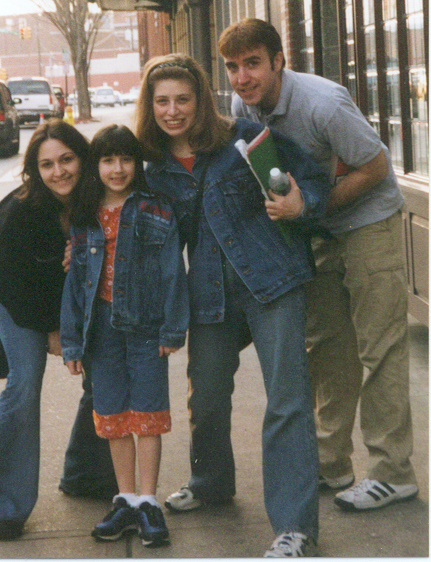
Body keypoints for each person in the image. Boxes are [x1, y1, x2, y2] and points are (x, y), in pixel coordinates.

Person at [219, 18, 418, 512]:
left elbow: (376, 167)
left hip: (368, 221)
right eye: (232, 67)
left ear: (279, 61)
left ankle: (393, 473)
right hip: (318, 227)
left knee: (380, 348)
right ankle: (331, 463)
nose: (242, 77)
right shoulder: (242, 104)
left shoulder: (323, 103)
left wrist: (308, 207)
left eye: (253, 64)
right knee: (328, 347)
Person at [135, 55, 330, 558]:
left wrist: (299, 203)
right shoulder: (153, 168)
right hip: (207, 295)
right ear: (149, 106)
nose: (173, 111)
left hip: (272, 280)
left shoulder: (243, 139)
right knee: (207, 396)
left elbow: (310, 178)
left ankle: (295, 529)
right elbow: (120, 215)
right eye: (162, 101)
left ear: (200, 99)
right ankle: (211, 482)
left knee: (286, 402)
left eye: (183, 99)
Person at [0, 120, 116, 541]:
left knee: (103, 371)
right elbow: (9, 283)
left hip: (74, 298)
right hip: (17, 301)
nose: (60, 172)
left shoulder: (96, 200)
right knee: (24, 381)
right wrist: (53, 330)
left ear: (81, 158)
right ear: (35, 171)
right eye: (47, 165)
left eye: (67, 159)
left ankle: (85, 474)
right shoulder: (17, 212)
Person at [60, 124, 189, 548]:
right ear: (95, 165)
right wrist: (73, 342)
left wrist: (173, 327)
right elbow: (76, 283)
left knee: (148, 412)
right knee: (113, 415)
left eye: (127, 159)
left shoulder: (156, 208)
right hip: (101, 331)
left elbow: (173, 271)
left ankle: (148, 500)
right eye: (108, 160)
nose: (118, 169)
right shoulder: (84, 215)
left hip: (147, 327)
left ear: (138, 163)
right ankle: (125, 497)